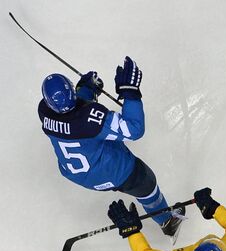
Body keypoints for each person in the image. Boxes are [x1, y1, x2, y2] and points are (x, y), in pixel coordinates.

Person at [39, 56, 183, 237]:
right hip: (114, 172)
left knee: (99, 149)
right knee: (147, 183)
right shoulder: (90, 120)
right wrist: (130, 93)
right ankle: (168, 222)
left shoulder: (44, 112)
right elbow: (134, 129)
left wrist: (86, 90)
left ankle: (163, 216)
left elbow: (70, 114)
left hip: (77, 175)